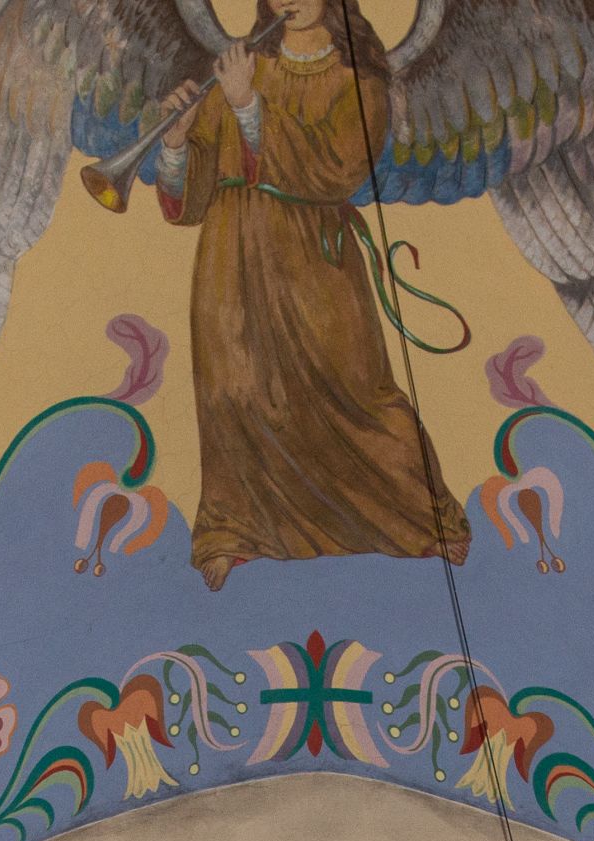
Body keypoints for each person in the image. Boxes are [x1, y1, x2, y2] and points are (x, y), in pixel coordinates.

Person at [150, 0, 469, 588]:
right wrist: (174, 143)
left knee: (357, 398)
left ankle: (419, 519)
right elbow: (190, 199)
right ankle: (233, 529)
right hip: (230, 262)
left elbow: (337, 168)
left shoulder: (359, 82)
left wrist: (248, 105)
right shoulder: (239, 69)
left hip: (316, 266)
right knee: (233, 393)